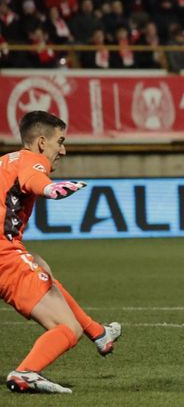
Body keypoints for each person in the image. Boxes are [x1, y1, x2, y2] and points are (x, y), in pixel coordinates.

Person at [1, 111, 122, 394]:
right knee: (67, 329)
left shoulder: (6, 161)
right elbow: (34, 180)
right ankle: (26, 373)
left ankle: (99, 332)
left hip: (8, 254)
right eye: (60, 141)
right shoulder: (33, 162)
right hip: (4, 257)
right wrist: (52, 189)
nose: (63, 150)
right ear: (42, 143)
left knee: (40, 265)